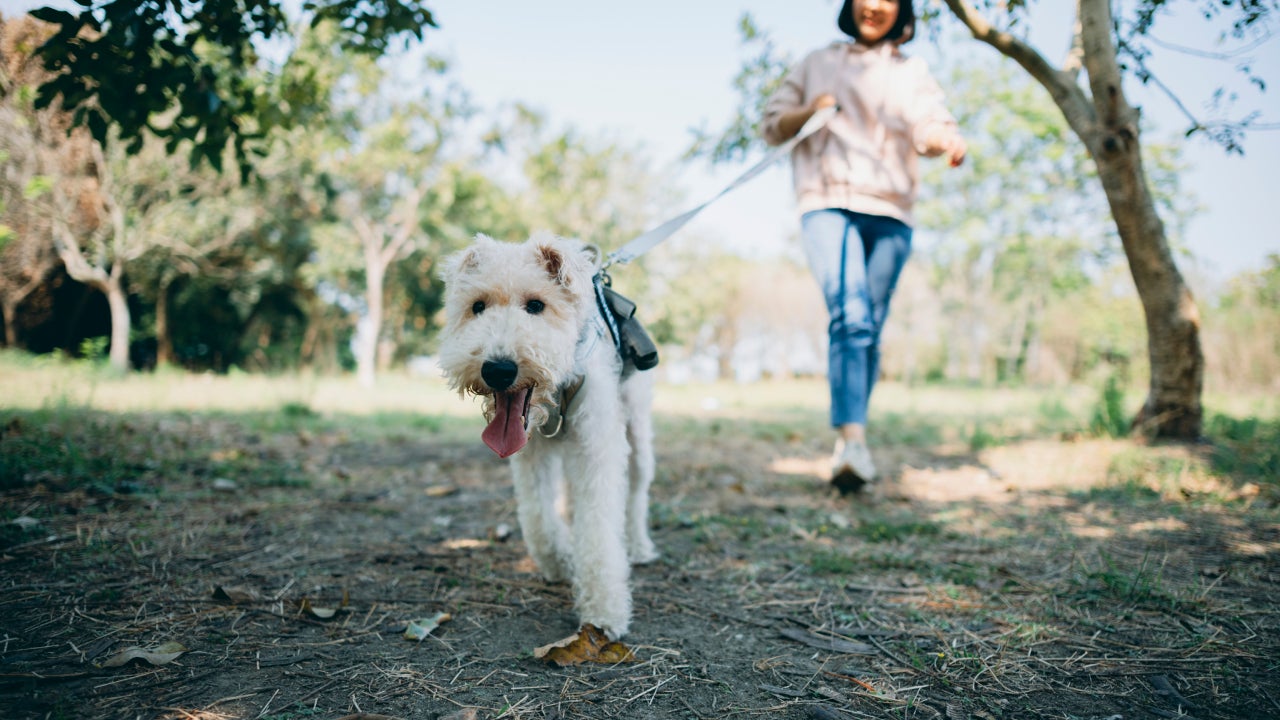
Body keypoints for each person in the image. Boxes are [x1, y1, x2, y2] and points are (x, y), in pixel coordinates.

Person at [761, 0, 966, 493]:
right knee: (850, 314)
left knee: (868, 326)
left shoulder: (911, 71)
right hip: (826, 203)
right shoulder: (816, 63)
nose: (875, 5)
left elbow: (929, 124)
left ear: (902, 10)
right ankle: (852, 443)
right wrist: (812, 110)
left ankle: (854, 438)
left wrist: (945, 139)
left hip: (892, 213)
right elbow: (772, 125)